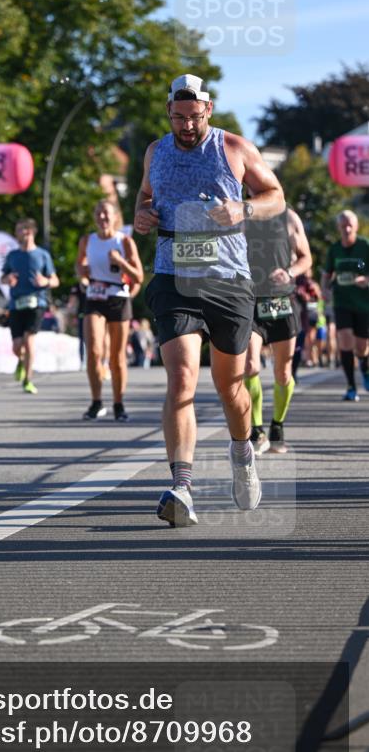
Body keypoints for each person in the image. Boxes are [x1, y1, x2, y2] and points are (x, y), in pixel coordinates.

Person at [135, 73, 285, 527]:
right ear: (169, 113)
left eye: (193, 117)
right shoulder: (155, 151)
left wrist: (245, 208)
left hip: (227, 282)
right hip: (173, 276)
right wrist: (141, 215)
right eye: (178, 117)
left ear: (208, 111)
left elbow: (275, 196)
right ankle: (182, 486)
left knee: (230, 388)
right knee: (180, 380)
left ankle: (242, 453)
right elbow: (144, 197)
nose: (185, 126)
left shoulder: (234, 148)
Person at [243, 205, 312, 454]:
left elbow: (306, 257)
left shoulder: (289, 217)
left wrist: (290, 272)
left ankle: (277, 425)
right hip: (251, 300)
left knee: (283, 373)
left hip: (282, 301)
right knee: (250, 365)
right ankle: (257, 429)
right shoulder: (243, 212)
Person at [76, 199, 144, 420]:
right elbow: (80, 267)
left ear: (115, 217)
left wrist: (120, 262)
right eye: (98, 213)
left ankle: (118, 404)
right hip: (94, 297)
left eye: (106, 213)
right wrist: (83, 270)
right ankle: (96, 402)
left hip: (118, 298)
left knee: (116, 357)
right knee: (94, 351)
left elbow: (139, 276)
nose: (102, 217)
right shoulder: (87, 240)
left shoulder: (124, 241)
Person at [1, 218, 59, 395]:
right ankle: (21, 360)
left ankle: (28, 379)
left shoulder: (42, 255)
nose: (23, 234)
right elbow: (2, 278)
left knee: (29, 339)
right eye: (19, 230)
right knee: (17, 346)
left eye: (26, 230)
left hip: (37, 303)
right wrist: (8, 279)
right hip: (16, 304)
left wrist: (45, 281)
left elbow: (56, 280)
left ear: (33, 232)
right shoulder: (12, 256)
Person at [321, 209, 369, 401]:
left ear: (356, 226)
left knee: (362, 348)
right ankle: (351, 386)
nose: (347, 229)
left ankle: (365, 368)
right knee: (345, 341)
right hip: (342, 302)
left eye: (350, 225)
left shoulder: (365, 245)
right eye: (343, 226)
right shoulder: (334, 249)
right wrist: (325, 290)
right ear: (339, 228)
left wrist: (366, 279)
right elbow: (326, 275)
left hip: (364, 304)